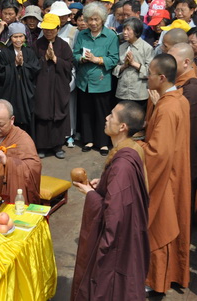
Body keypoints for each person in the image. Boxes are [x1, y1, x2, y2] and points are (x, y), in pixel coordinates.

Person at [71, 101, 150, 301]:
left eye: (112, 116)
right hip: (130, 233)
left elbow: (114, 215)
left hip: (118, 244)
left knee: (109, 286)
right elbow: (122, 193)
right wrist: (104, 184)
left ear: (123, 127)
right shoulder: (132, 148)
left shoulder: (122, 165)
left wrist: (90, 194)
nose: (107, 117)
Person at [141, 54, 191, 295]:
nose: (146, 76)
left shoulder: (169, 107)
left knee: (159, 227)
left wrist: (134, 147)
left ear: (161, 77)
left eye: (149, 73)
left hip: (164, 176)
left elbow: (157, 152)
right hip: (176, 170)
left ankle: (156, 281)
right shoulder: (176, 100)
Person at [73, 2, 119, 155]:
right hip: (84, 80)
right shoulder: (82, 34)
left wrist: (97, 59)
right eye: (90, 19)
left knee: (102, 112)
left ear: (103, 20)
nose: (93, 23)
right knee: (86, 111)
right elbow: (75, 54)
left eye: (96, 20)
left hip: (101, 80)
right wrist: (82, 59)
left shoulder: (111, 36)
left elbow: (113, 59)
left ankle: (103, 143)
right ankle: (88, 139)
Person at [168, 43, 197, 213]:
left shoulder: (192, 90)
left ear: (186, 62)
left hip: (184, 150)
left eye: (172, 60)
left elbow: (187, 129)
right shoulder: (180, 81)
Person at [33, 13, 74, 159]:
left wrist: (56, 59)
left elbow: (69, 65)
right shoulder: (37, 45)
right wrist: (44, 58)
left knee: (58, 115)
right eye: (45, 29)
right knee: (43, 113)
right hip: (42, 86)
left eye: (51, 29)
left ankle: (58, 146)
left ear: (57, 28)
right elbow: (31, 66)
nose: (48, 32)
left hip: (58, 86)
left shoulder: (63, 46)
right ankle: (42, 146)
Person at [0, 23, 40, 135]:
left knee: (26, 123)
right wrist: (13, 65)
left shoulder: (29, 52)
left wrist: (23, 65)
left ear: (25, 37)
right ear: (10, 37)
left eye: (21, 36)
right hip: (10, 93)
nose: (18, 40)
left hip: (26, 95)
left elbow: (35, 70)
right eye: (15, 37)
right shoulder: (4, 53)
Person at [113, 17, 153, 107]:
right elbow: (114, 68)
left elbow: (150, 72)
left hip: (139, 94)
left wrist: (134, 64)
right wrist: (124, 66)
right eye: (124, 29)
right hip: (122, 92)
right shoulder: (121, 47)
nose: (125, 32)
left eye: (128, 30)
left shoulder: (147, 48)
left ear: (136, 32)